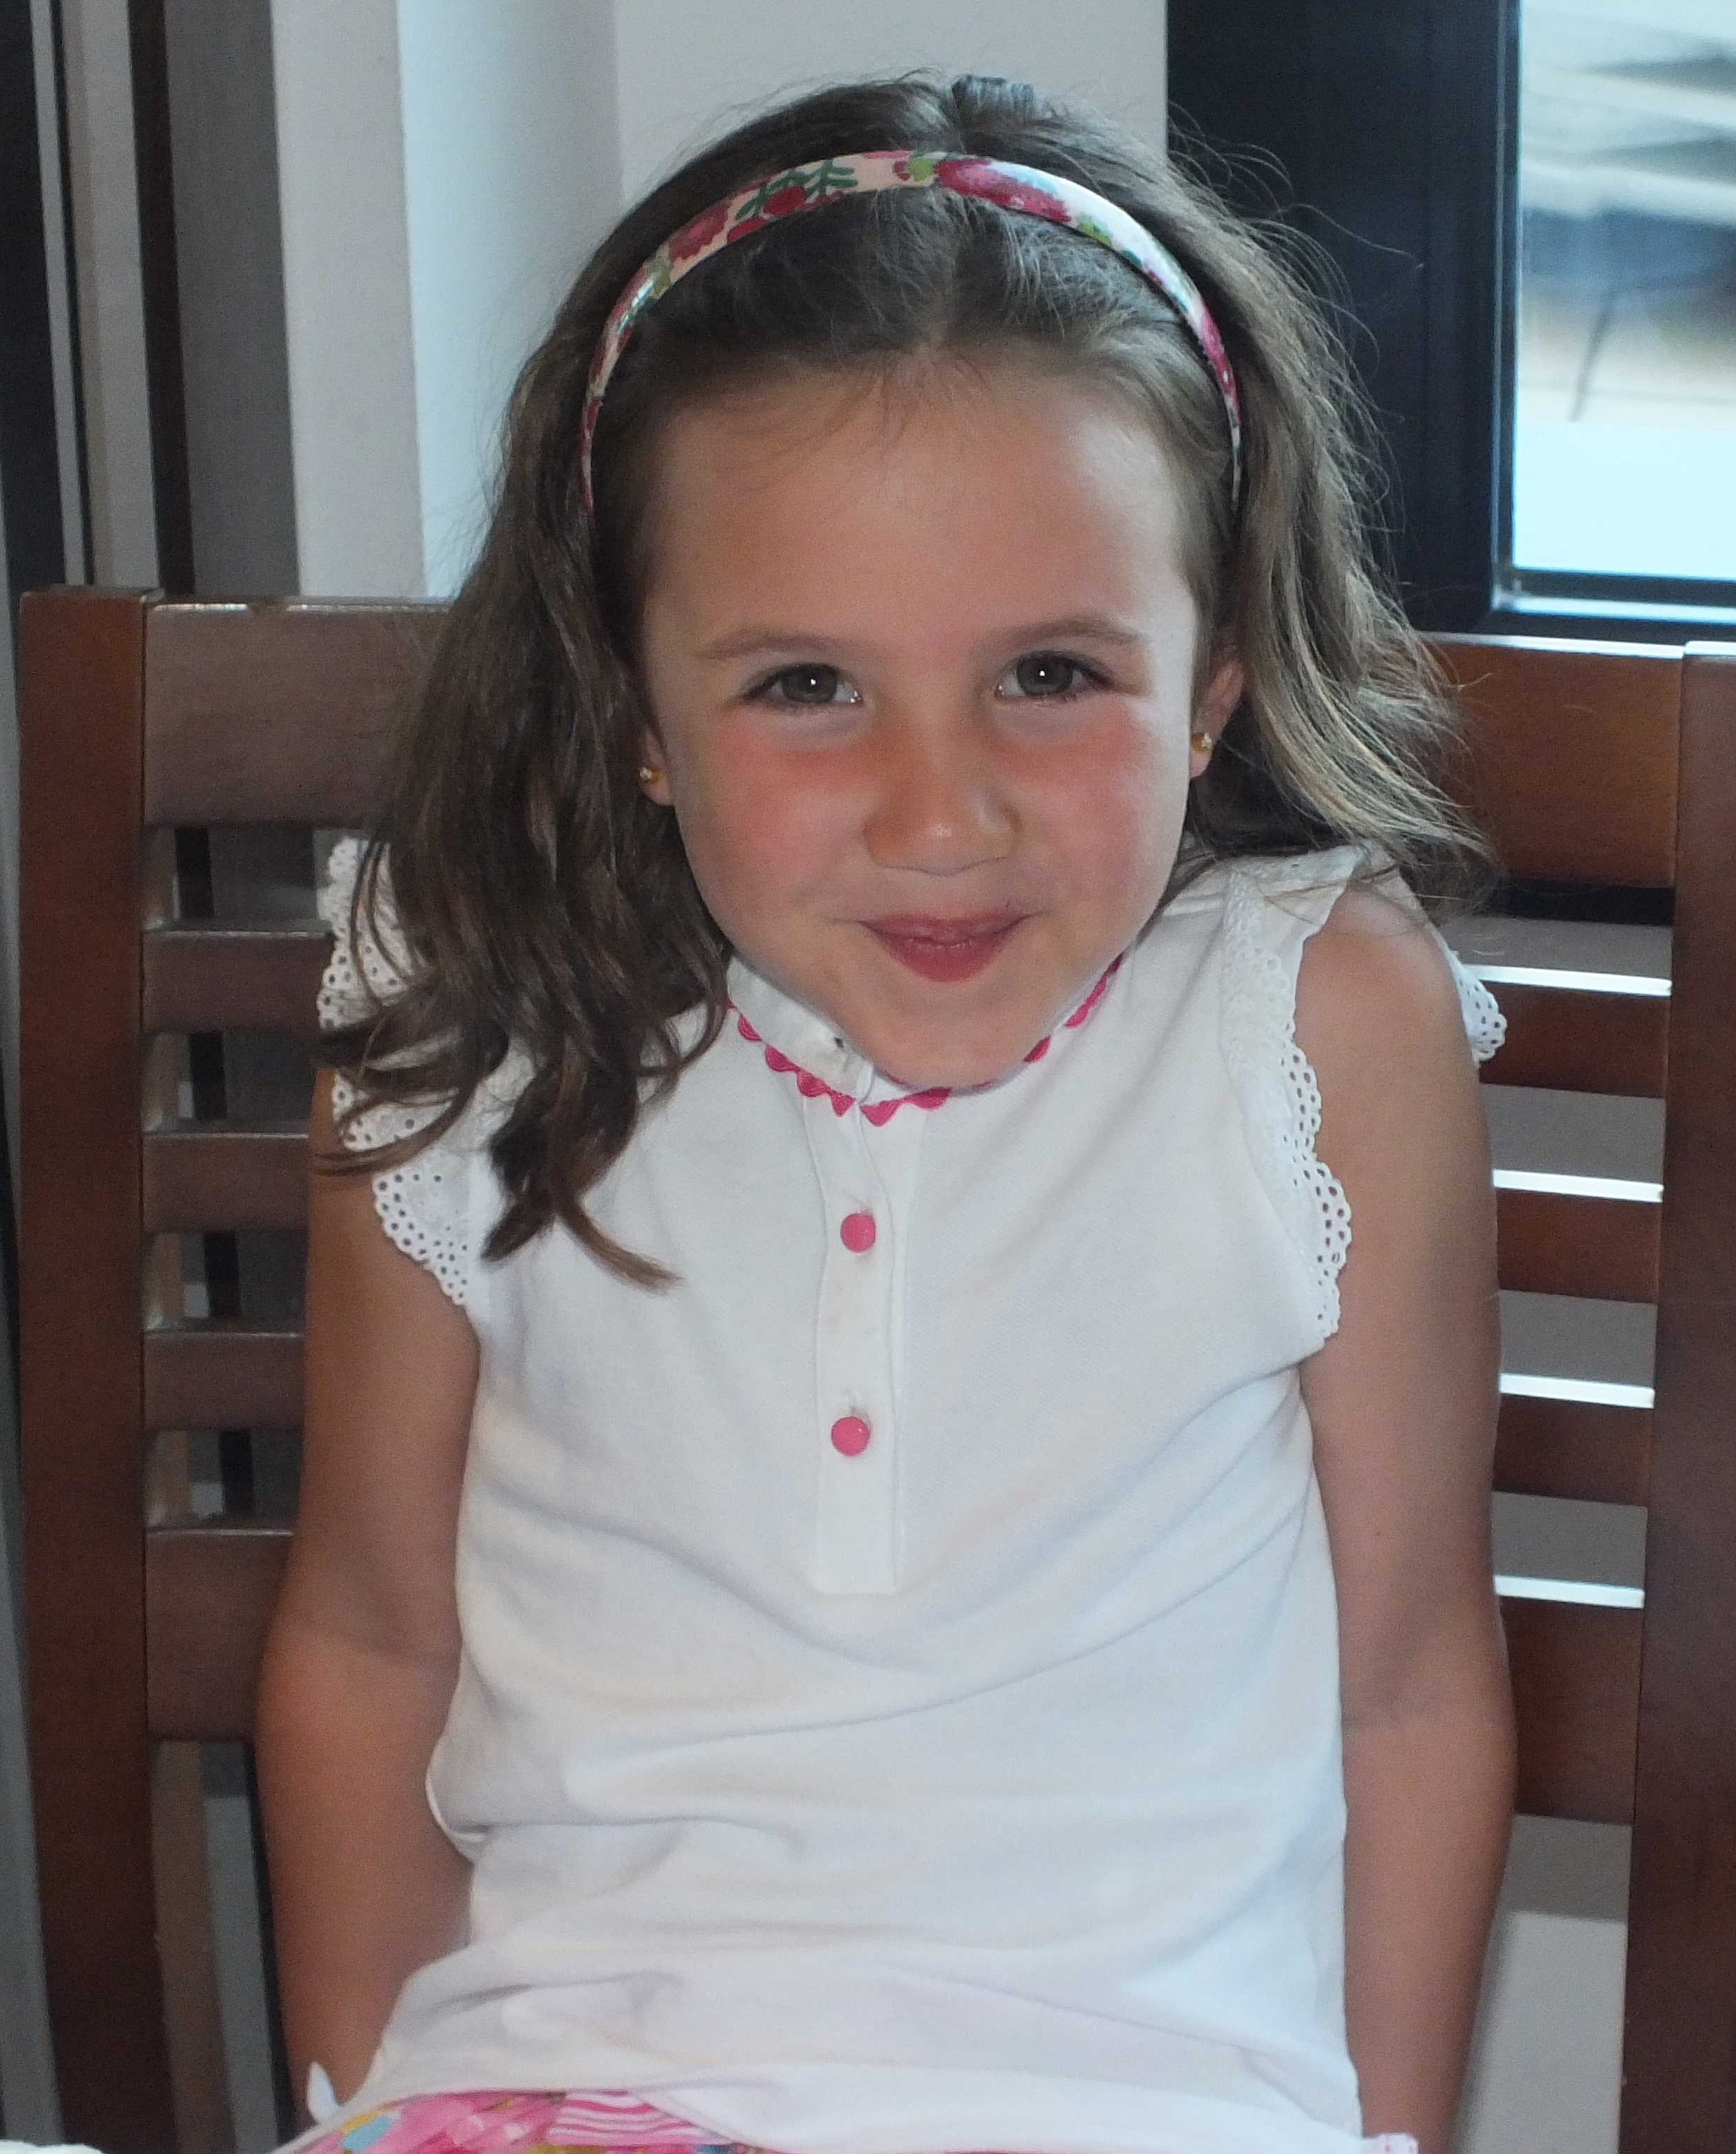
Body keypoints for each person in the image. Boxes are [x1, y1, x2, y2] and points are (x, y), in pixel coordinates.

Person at [255, 73, 1514, 2154]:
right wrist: (372, 2110)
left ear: (1212, 681)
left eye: (1051, 675)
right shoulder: (463, 1002)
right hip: (562, 2088)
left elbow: (1412, 1687)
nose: (944, 818)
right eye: (806, 687)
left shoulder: (1319, 1026)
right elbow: (369, 1639)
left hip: (1144, 2111)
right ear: (635, 711)